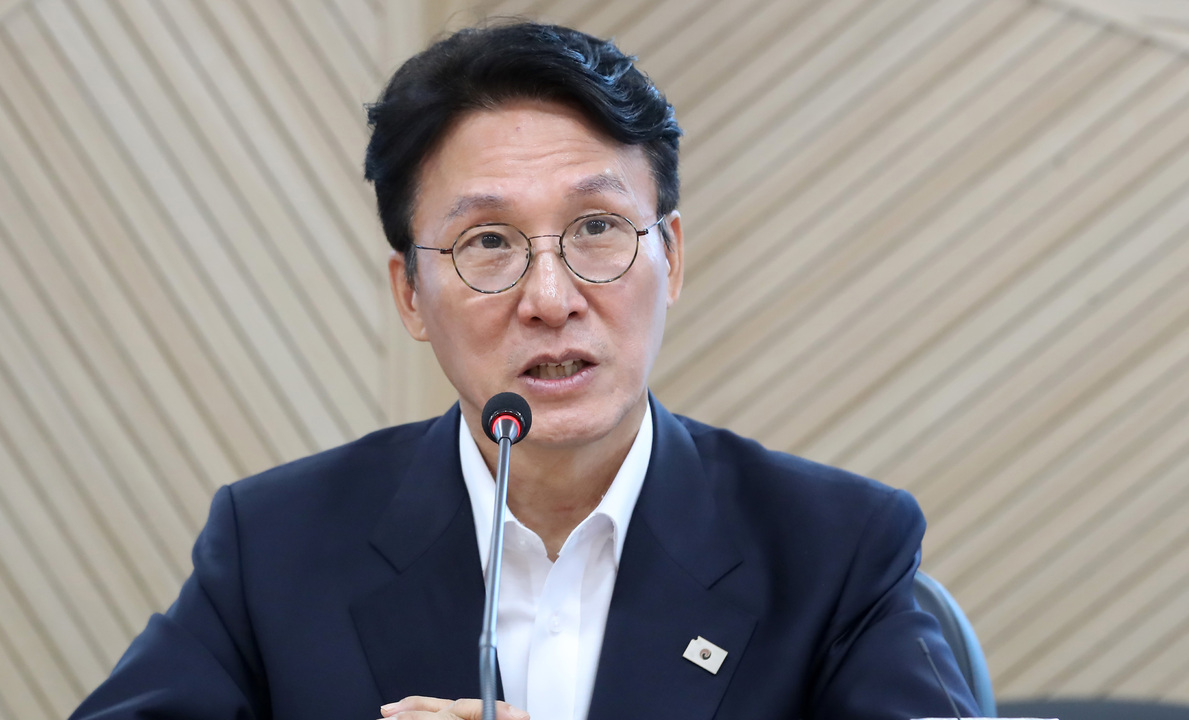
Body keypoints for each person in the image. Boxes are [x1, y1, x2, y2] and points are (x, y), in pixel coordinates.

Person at [71, 21, 981, 720]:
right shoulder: (277, 545)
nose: (550, 297)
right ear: (410, 296)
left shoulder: (835, 548)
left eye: (597, 229)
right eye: (488, 243)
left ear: (670, 257)